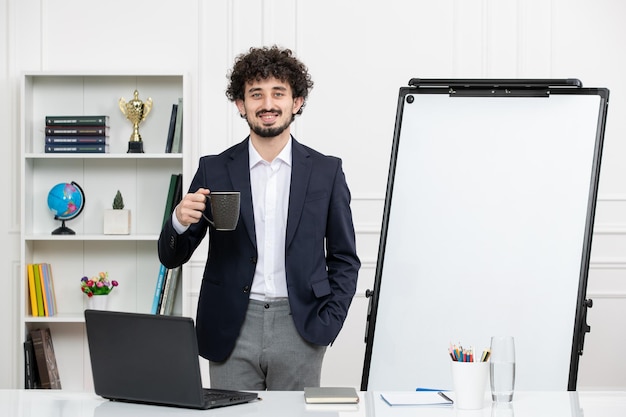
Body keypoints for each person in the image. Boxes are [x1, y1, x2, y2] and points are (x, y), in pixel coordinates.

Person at [158, 45, 360, 391]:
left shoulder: (326, 172)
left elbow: (344, 259)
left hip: (302, 326)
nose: (267, 104)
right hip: (230, 327)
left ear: (296, 102)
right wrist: (178, 220)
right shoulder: (214, 168)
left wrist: (329, 322)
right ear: (241, 104)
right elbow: (172, 256)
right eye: (256, 94)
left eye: (278, 93)